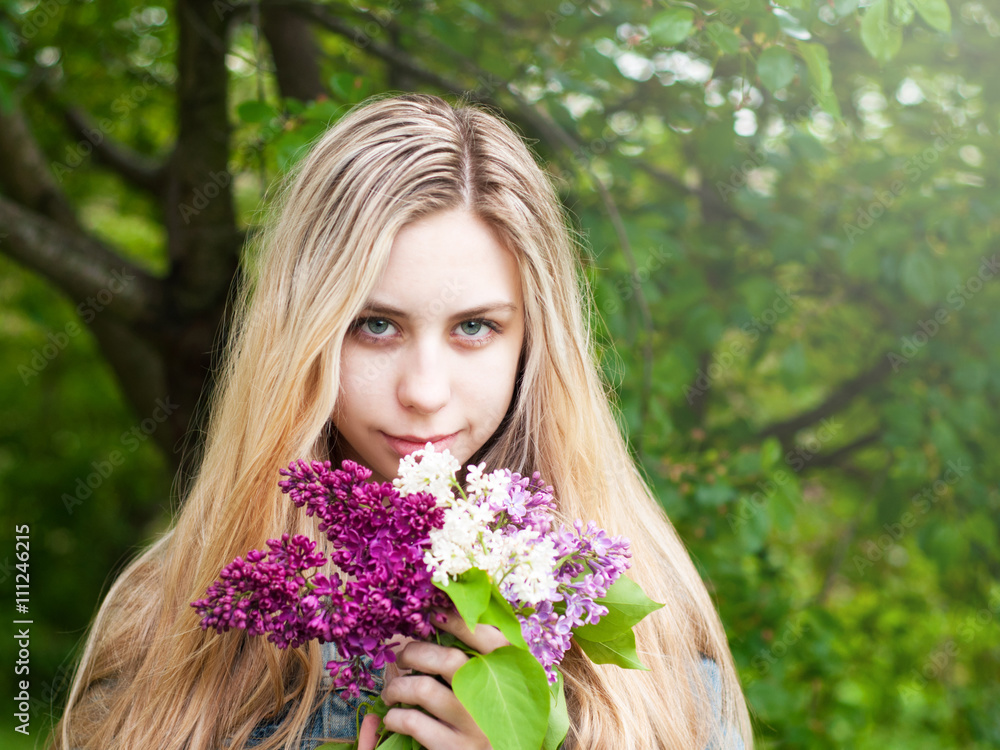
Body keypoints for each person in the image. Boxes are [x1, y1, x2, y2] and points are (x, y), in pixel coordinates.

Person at [50, 92, 754, 749]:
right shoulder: (168, 631)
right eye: (375, 325)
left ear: (532, 341)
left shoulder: (651, 668)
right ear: (307, 333)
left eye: (474, 326)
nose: (423, 391)